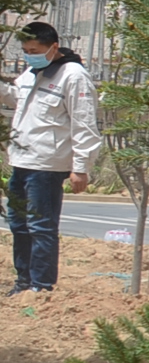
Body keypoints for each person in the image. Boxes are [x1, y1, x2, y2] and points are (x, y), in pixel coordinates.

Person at [8, 21, 102, 296]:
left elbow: (84, 123)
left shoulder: (73, 76)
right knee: (19, 224)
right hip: (22, 161)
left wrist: (81, 167)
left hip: (47, 165)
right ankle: (23, 282)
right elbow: (18, 98)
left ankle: (41, 285)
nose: (29, 54)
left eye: (34, 49)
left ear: (53, 47)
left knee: (41, 226)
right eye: (25, 50)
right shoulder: (33, 72)